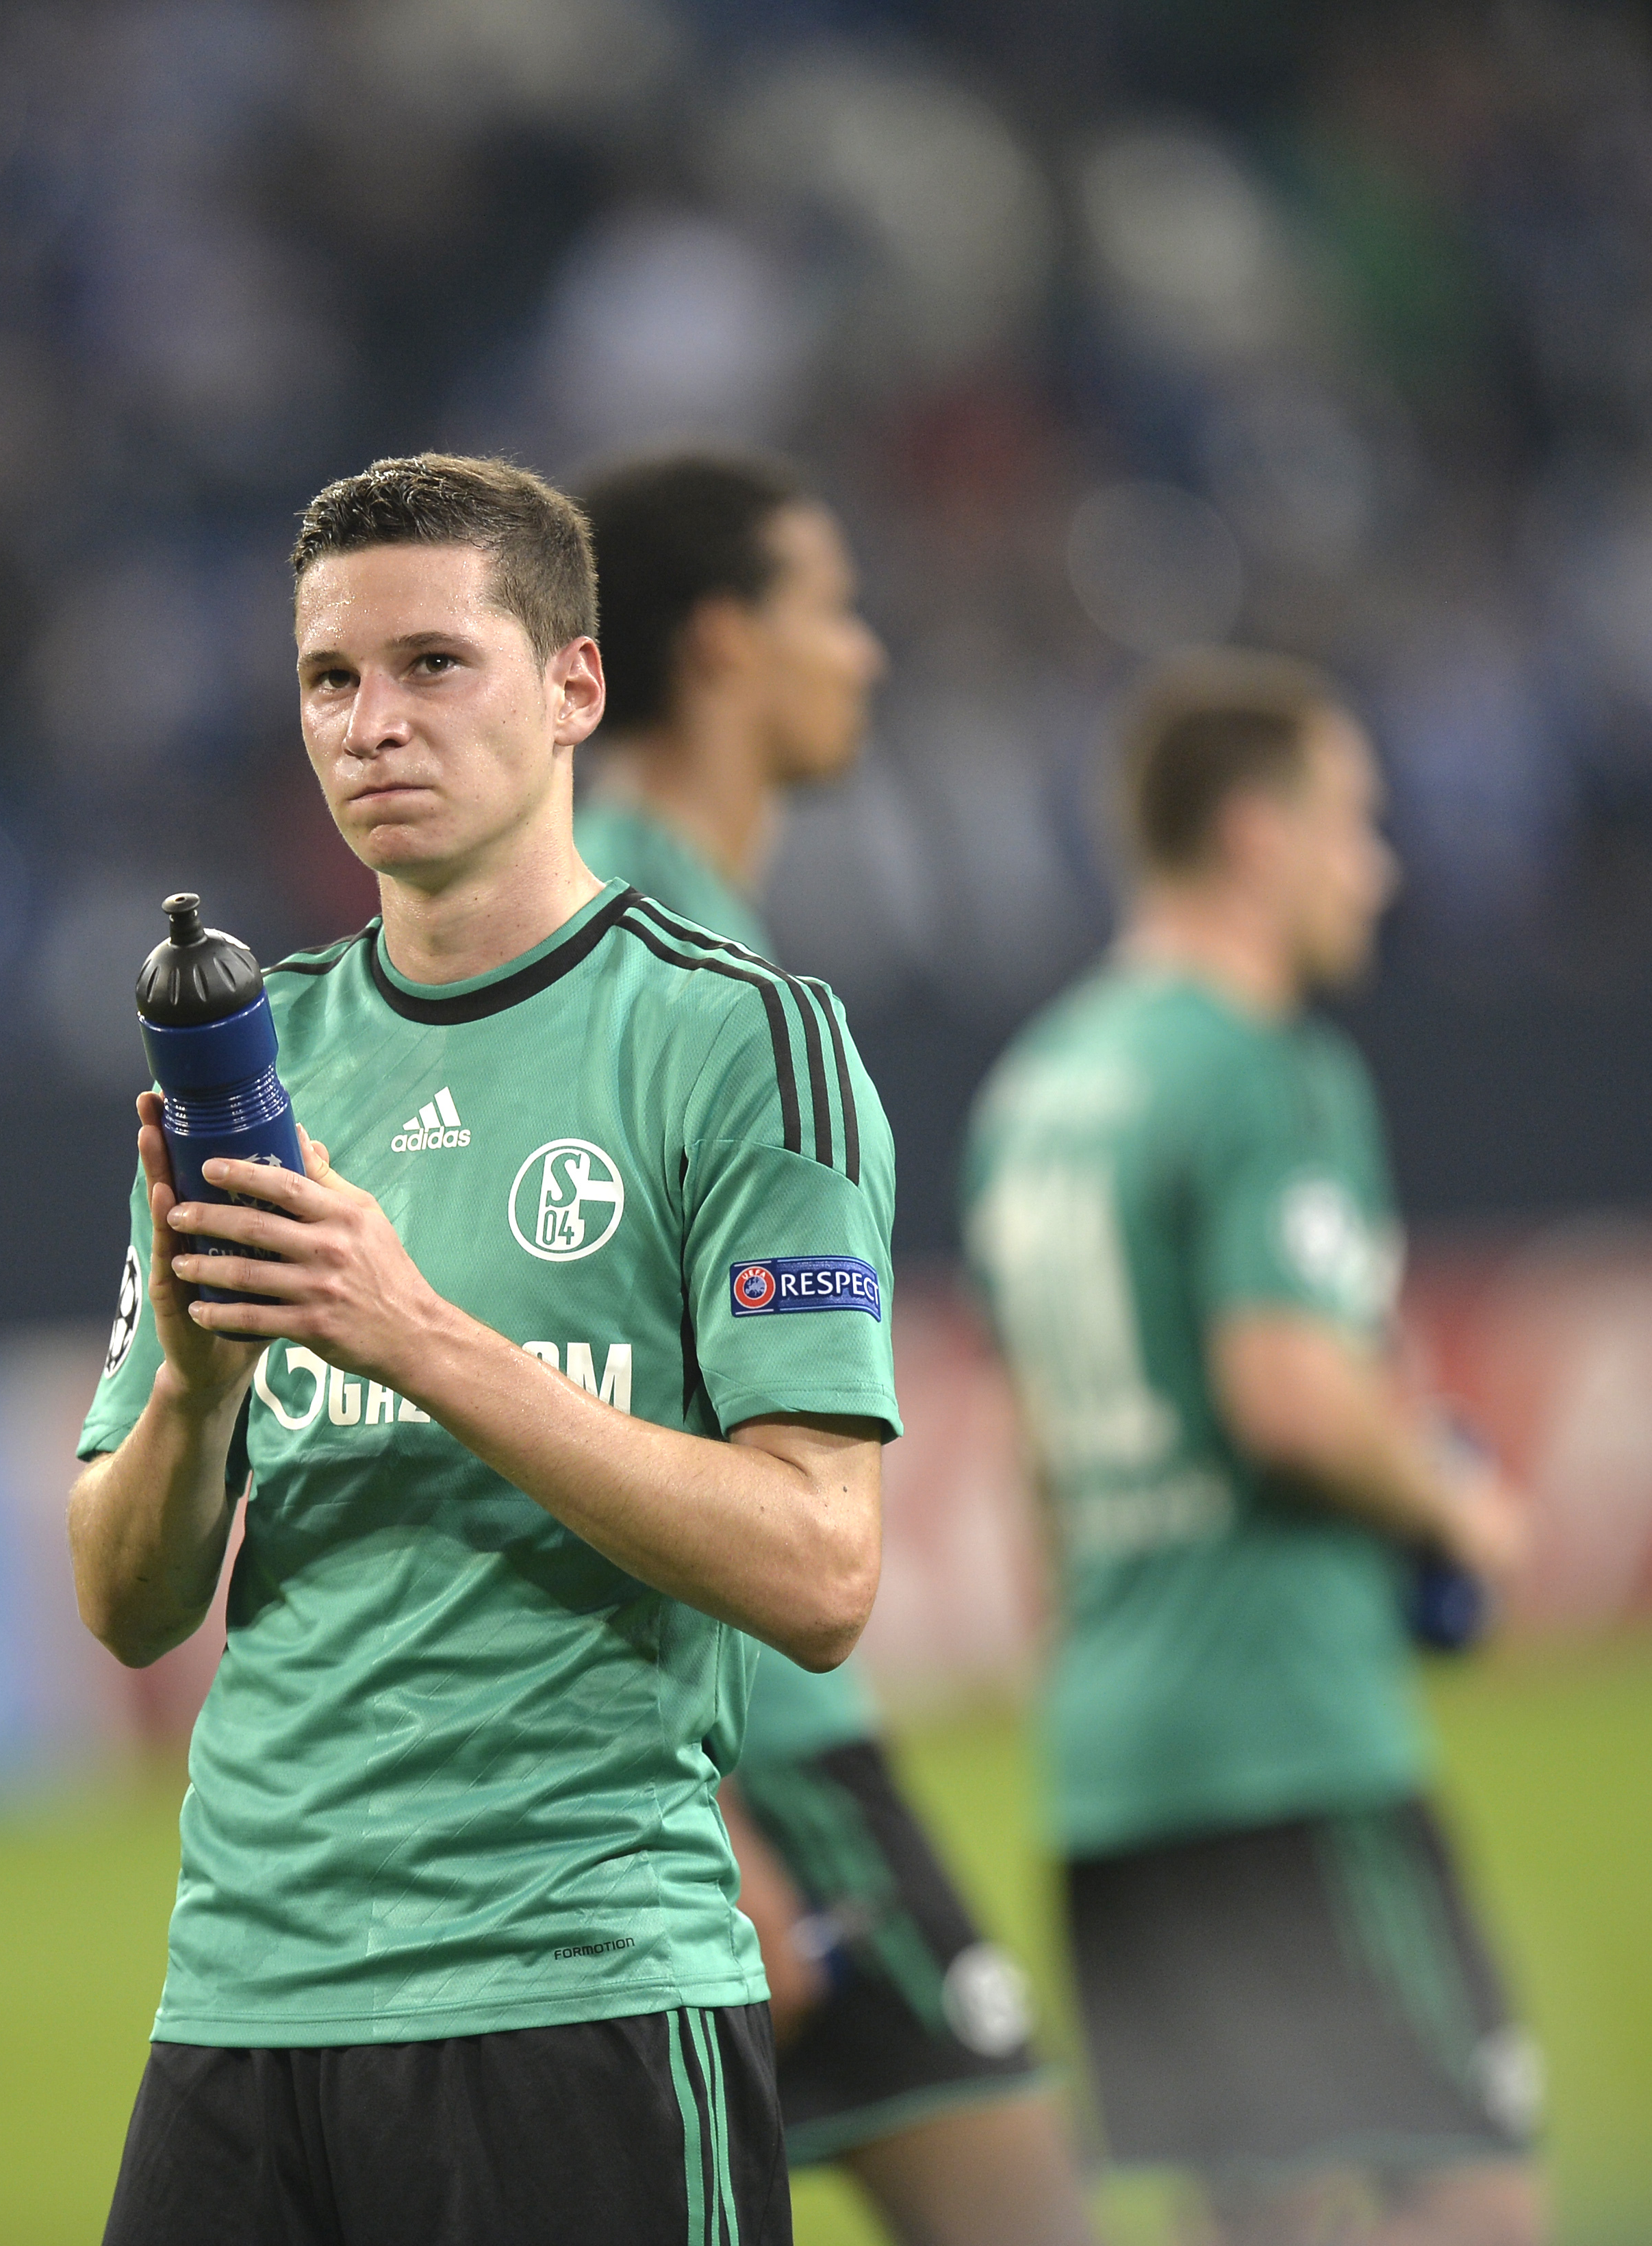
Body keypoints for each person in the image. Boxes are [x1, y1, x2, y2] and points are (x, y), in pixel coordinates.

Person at [71, 453, 901, 2246]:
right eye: (329, 680)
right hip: (244, 2008)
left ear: (573, 689)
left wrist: (419, 1338)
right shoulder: (254, 1064)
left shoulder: (733, 1041)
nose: (373, 724)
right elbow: (126, 1603)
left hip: (575, 2002)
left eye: (435, 664)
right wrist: (201, 1400)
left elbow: (823, 1567)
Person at [962, 650, 1545, 2246]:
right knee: (1470, 2191)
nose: (1382, 862)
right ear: (1252, 833)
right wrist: (1456, 1503)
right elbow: (1286, 1387)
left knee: (1265, 2217)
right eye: (1352, 819)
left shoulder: (1042, 1089)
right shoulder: (1258, 1065)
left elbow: (1038, 1464)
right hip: (1289, 1738)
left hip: (1118, 1763)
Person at [576, 451, 1092, 2246]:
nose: (862, 655)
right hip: (743, 1753)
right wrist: (695, 1812)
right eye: (832, 610)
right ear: (724, 647)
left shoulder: (633, 914)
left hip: (702, 1751)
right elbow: (543, 1365)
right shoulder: (645, 951)